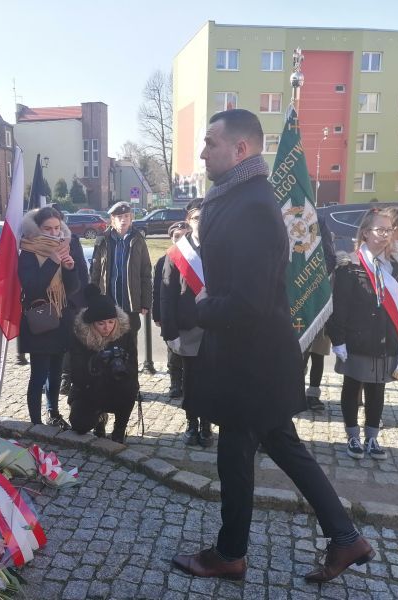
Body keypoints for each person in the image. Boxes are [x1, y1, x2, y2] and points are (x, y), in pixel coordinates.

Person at [171, 109, 373, 583]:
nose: (203, 152)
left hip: (251, 362)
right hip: (248, 358)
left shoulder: (254, 206)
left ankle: (231, 554)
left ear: (240, 148)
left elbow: (249, 302)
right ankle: (345, 538)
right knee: (279, 445)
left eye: (211, 142)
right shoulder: (236, 197)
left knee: (236, 458)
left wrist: (201, 307)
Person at [327, 209, 398, 460]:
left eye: (389, 230)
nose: (385, 235)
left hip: (386, 339)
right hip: (357, 339)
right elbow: (340, 306)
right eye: (380, 230)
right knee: (352, 387)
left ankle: (372, 437)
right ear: (366, 233)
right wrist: (338, 339)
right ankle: (352, 436)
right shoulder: (351, 265)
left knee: (377, 389)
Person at [18, 206, 80, 428]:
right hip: (40, 320)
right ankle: (35, 423)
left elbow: (72, 289)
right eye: (48, 228)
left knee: (56, 373)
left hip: (61, 319)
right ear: (37, 228)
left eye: (57, 228)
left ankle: (53, 413)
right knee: (38, 375)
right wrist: (53, 262)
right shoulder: (28, 250)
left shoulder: (64, 247)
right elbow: (32, 287)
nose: (54, 233)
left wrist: (69, 269)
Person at [160, 205, 214, 447]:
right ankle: (192, 423)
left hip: (214, 326)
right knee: (190, 381)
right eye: (196, 218)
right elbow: (167, 295)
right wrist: (170, 332)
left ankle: (207, 424)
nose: (201, 221)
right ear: (189, 221)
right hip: (188, 327)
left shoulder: (220, 247)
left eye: (205, 217)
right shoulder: (177, 252)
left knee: (211, 380)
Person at [68, 285, 139, 442]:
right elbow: (76, 376)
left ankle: (119, 429)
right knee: (80, 424)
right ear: (92, 323)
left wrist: (122, 366)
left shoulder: (124, 334)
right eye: (101, 323)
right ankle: (99, 418)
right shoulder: (81, 337)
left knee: (130, 388)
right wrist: (94, 364)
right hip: (89, 389)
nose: (107, 328)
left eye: (111, 322)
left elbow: (133, 368)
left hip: (117, 387)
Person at [90, 201, 153, 345]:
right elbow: (95, 272)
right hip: (108, 302)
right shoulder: (102, 240)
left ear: (131, 218)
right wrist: (93, 299)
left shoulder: (138, 240)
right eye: (119, 217)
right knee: (108, 343)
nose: (123, 220)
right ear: (112, 220)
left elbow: (145, 272)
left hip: (130, 303)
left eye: (126, 216)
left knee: (130, 342)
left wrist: (146, 302)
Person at [50, 203, 89, 396]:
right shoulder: (37, 242)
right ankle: (55, 377)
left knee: (71, 340)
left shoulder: (72, 240)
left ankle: (67, 377)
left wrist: (83, 298)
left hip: (71, 300)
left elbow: (81, 269)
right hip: (49, 301)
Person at [303, 215, 337, 411]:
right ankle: (295, 391)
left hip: (319, 299)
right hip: (298, 301)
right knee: (299, 353)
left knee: (318, 352)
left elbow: (330, 259)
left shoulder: (319, 221)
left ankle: (313, 394)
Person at [154, 221, 190, 398]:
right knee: (173, 352)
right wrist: (157, 315)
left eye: (185, 235)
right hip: (170, 314)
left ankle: (188, 383)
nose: (180, 239)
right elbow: (157, 291)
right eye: (177, 236)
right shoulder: (163, 260)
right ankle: (175, 383)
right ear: (171, 238)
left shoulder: (196, 259)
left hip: (189, 314)